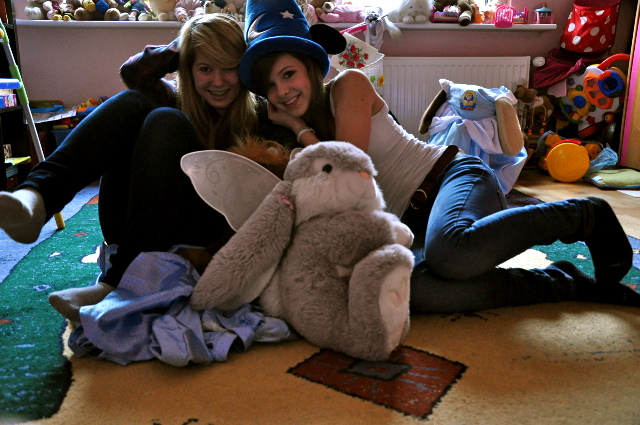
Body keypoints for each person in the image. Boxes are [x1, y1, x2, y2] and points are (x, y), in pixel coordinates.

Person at [237, 0, 638, 313]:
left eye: (288, 74)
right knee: (411, 290)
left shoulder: (348, 85)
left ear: (310, 65)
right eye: (270, 86)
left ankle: (583, 215)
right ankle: (563, 283)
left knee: (451, 252)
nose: (281, 92)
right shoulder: (297, 138)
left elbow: (346, 169)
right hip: (412, 220)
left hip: (452, 177)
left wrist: (297, 128)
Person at [0, 13, 296, 322]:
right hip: (131, 224)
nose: (218, 81)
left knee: (165, 120)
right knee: (134, 101)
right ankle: (36, 198)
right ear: (188, 68)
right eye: (205, 69)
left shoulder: (261, 114)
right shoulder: (175, 98)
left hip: (203, 237)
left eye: (229, 68)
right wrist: (185, 44)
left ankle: (116, 283)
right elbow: (134, 73)